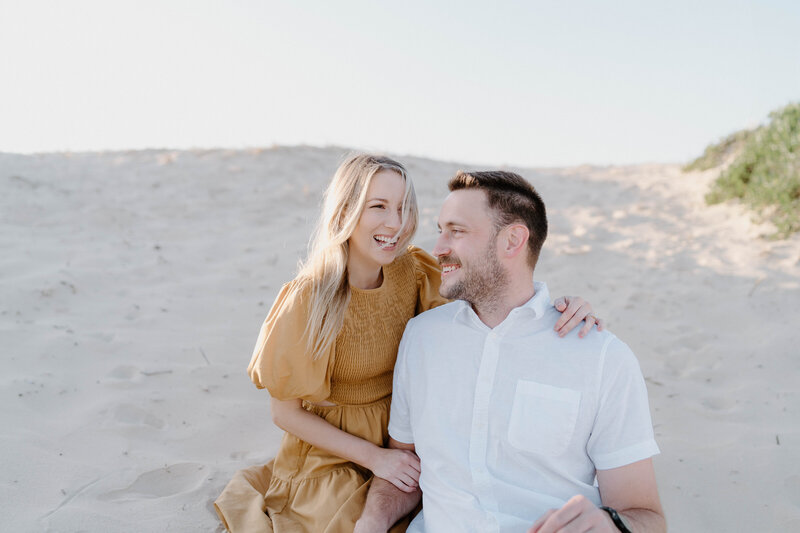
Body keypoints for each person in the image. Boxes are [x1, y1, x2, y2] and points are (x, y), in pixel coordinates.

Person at [214, 155, 604, 533]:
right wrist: (376, 458)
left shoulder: (413, 270)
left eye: (402, 208)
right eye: (379, 206)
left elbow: (488, 295)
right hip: (335, 454)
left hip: (408, 438)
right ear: (344, 212)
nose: (395, 223)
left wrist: (556, 305)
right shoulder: (308, 298)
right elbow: (285, 414)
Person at [356, 170, 665, 533]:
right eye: (440, 229)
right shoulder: (421, 338)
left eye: (456, 231)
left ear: (513, 240)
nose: (438, 247)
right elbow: (404, 467)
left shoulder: (602, 358)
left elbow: (645, 515)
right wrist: (372, 522)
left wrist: (611, 525)